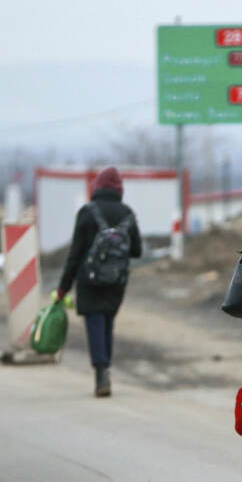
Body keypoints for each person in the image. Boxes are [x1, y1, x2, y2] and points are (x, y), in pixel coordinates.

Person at [57, 167, 142, 397]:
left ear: (97, 187)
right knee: (107, 323)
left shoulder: (87, 212)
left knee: (95, 321)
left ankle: (101, 373)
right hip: (117, 279)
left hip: (90, 279)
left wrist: (64, 287)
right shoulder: (127, 213)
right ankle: (105, 369)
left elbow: (75, 253)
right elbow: (137, 250)